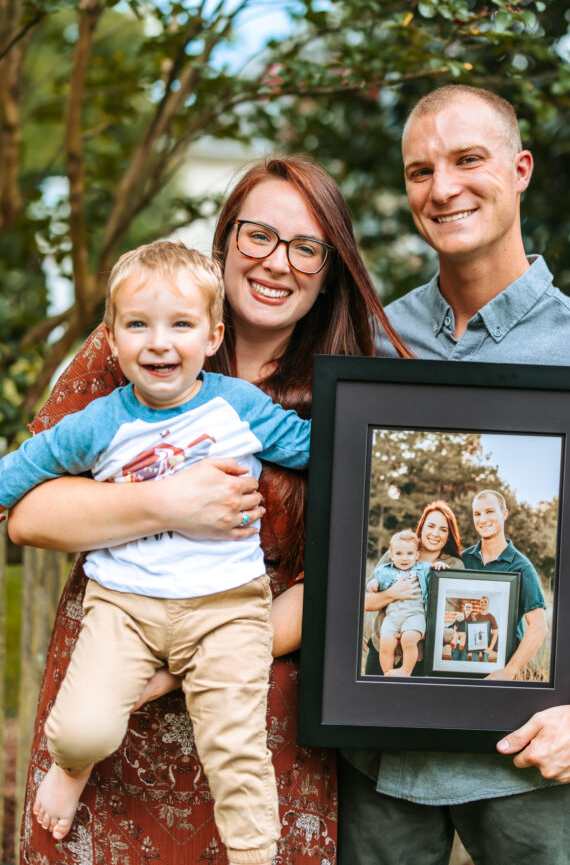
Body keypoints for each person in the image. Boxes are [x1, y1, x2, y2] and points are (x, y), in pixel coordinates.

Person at [8, 156, 410, 865]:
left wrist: (184, 659)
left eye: (305, 247)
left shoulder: (347, 392)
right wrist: (164, 502)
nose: (276, 262)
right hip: (109, 699)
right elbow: (30, 514)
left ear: (329, 269)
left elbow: (352, 574)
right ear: (223, 242)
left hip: (251, 711)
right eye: (257, 236)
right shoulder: (134, 346)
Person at [339, 84, 570, 865]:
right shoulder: (371, 347)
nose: (443, 187)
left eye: (467, 160)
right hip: (376, 762)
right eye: (420, 170)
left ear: (520, 168)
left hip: (534, 771)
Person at [1, 240, 317, 861]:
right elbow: (29, 466)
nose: (159, 342)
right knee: (83, 726)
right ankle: (70, 770)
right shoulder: (100, 421)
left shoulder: (238, 406)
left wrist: (395, 436)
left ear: (212, 334)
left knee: (236, 747)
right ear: (113, 341)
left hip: (225, 607)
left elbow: (314, 445)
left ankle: (256, 856)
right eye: (138, 325)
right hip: (125, 605)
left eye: (180, 325)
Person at [363, 501, 463, 676]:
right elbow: (364, 601)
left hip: (423, 658)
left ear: (449, 536)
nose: (435, 533)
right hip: (383, 649)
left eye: (443, 529)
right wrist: (392, 593)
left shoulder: (453, 565)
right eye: (431, 526)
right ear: (421, 528)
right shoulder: (397, 553)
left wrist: (425, 628)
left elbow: (452, 614)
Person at [461, 489, 546, 680]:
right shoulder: (462, 560)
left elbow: (539, 626)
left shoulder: (521, 567)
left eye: (490, 512)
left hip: (501, 674)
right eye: (477, 514)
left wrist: (510, 670)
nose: (482, 519)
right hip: (461, 667)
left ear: (504, 514)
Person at [366, 529, 446, 676]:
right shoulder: (385, 571)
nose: (404, 558)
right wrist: (373, 584)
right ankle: (387, 672)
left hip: (414, 614)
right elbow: (376, 582)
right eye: (399, 553)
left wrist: (439, 565)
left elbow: (434, 571)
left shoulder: (422, 568)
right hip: (392, 615)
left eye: (409, 554)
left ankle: (406, 670)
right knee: (385, 643)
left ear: (417, 555)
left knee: (409, 640)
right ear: (391, 554)